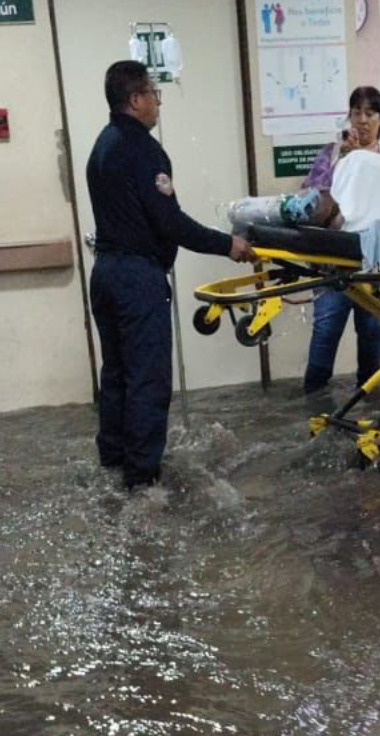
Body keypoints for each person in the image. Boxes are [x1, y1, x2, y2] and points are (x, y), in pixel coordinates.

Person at [87, 60, 254, 488]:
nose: (158, 103)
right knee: (147, 380)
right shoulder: (143, 150)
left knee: (117, 375)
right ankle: (142, 483)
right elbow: (170, 223)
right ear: (135, 99)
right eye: (153, 95)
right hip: (136, 281)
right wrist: (227, 244)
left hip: (105, 274)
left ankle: (113, 465)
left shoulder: (101, 146)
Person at [300, 86, 380, 394]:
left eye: (370, 113)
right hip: (334, 261)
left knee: (372, 333)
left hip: (372, 262)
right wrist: (343, 160)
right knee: (326, 329)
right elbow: (312, 202)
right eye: (356, 112)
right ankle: (315, 402)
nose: (362, 120)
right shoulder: (331, 155)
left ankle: (369, 404)